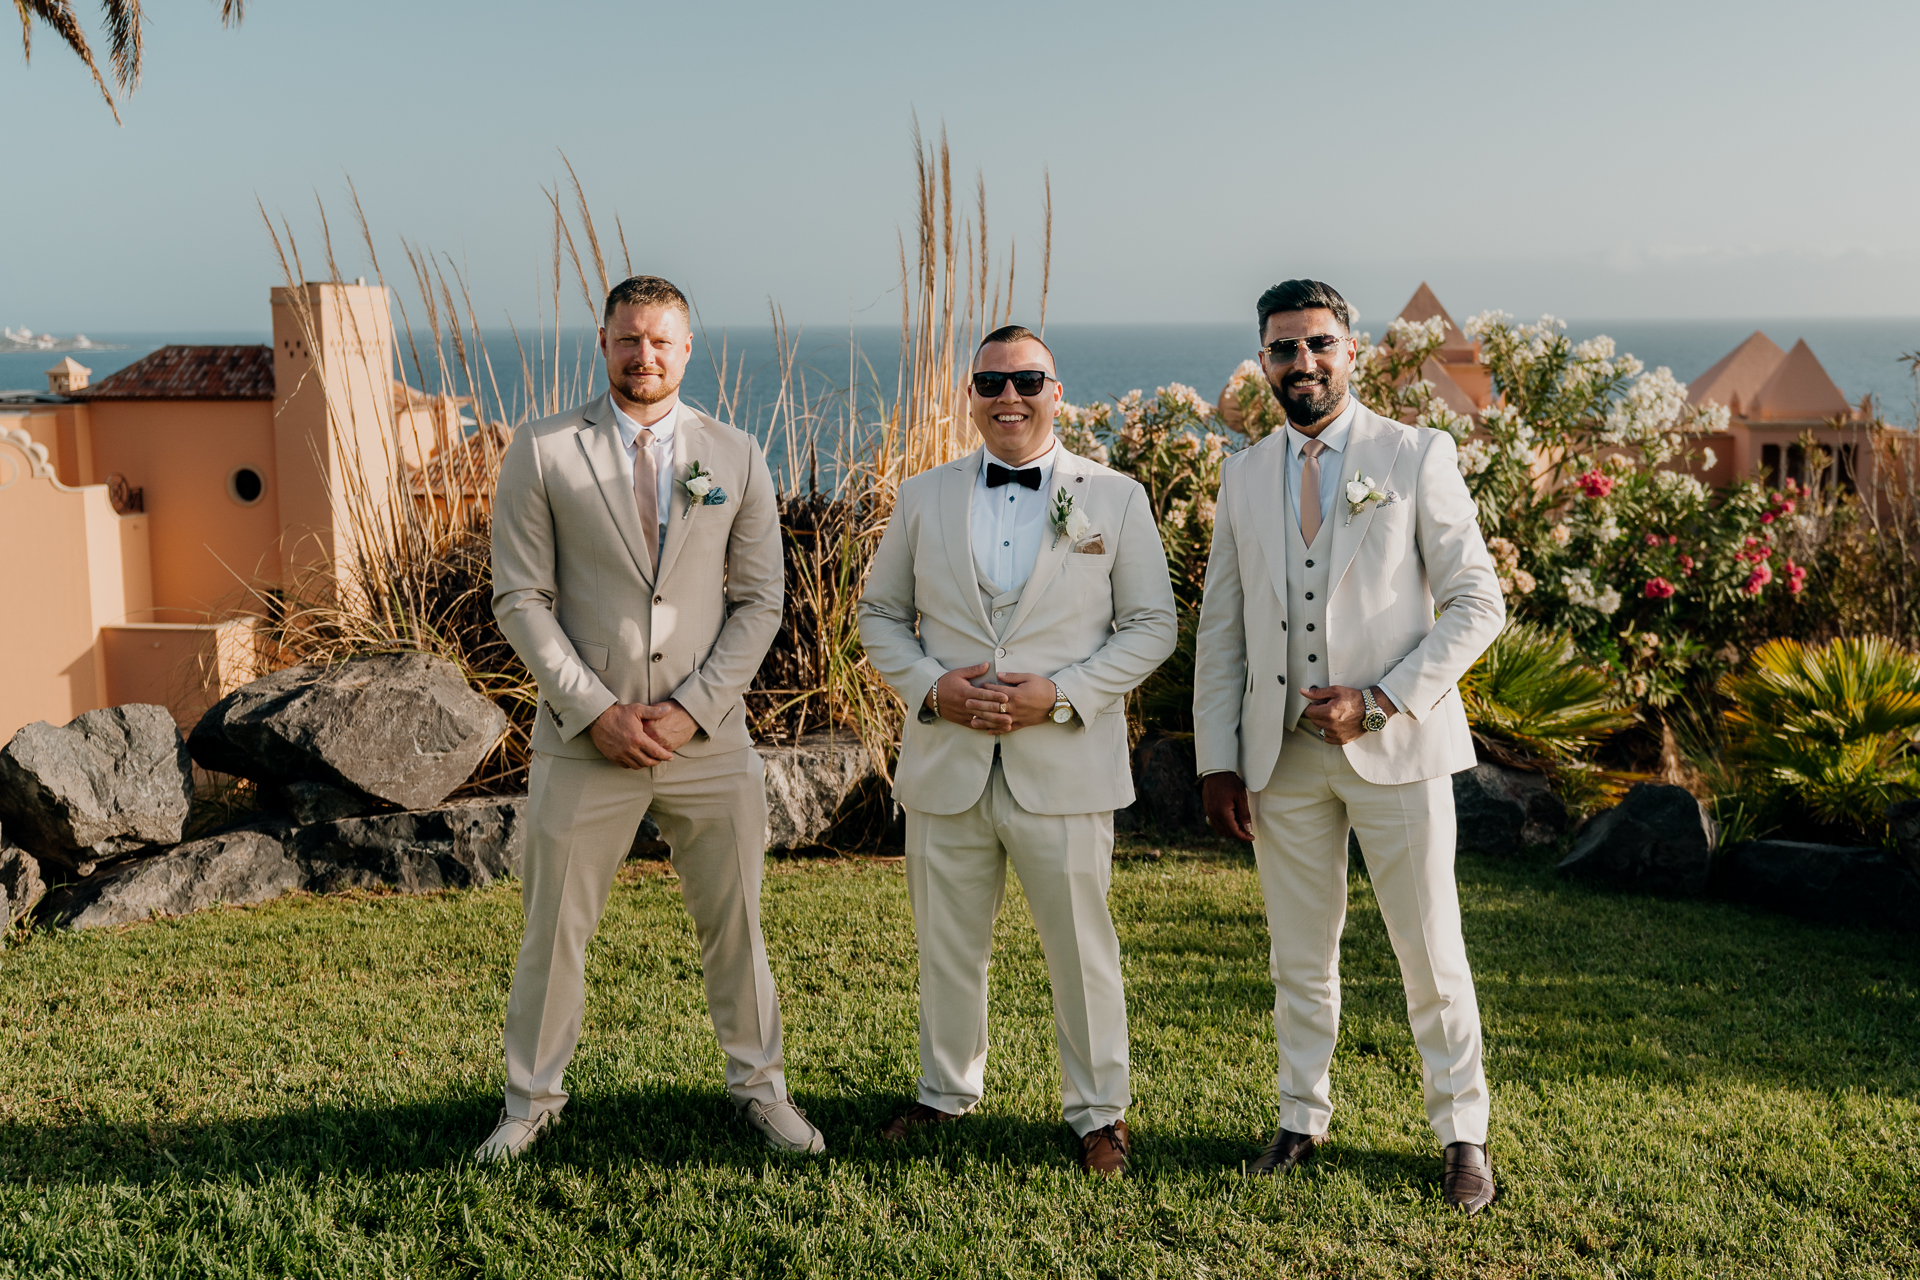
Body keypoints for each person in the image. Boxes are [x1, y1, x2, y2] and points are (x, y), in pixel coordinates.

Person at [477, 275, 822, 1162]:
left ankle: (761, 1089)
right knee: (553, 927)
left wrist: (691, 709)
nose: (645, 356)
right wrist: (593, 710)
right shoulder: (544, 449)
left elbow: (759, 602)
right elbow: (520, 596)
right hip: (584, 738)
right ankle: (529, 1103)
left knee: (737, 922)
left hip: (707, 740)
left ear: (688, 349)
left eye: (662, 341)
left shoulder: (736, 454)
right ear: (604, 341)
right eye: (630, 339)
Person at [1192, 280, 1505, 1213]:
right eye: (1283, 349)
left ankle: (1462, 1135)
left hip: (1398, 749)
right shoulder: (1244, 474)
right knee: (1298, 952)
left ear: (1352, 350)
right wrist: (1217, 759)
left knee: (1430, 950)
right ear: (1263, 363)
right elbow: (1224, 628)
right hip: (1280, 760)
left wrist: (1379, 700)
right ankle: (1300, 1116)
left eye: (1318, 344)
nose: (1303, 363)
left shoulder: (1414, 454)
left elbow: (1477, 601)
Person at [857, 325, 1176, 1177]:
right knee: (947, 943)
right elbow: (880, 615)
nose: (1010, 398)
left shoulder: (1113, 498)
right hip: (946, 762)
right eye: (992, 383)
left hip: (1065, 765)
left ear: (1055, 390)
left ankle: (1099, 1114)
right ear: (972, 393)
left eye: (1027, 382)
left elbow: (1152, 626)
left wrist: (1062, 694)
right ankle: (944, 1091)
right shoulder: (923, 496)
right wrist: (932, 686)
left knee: (1081, 946)